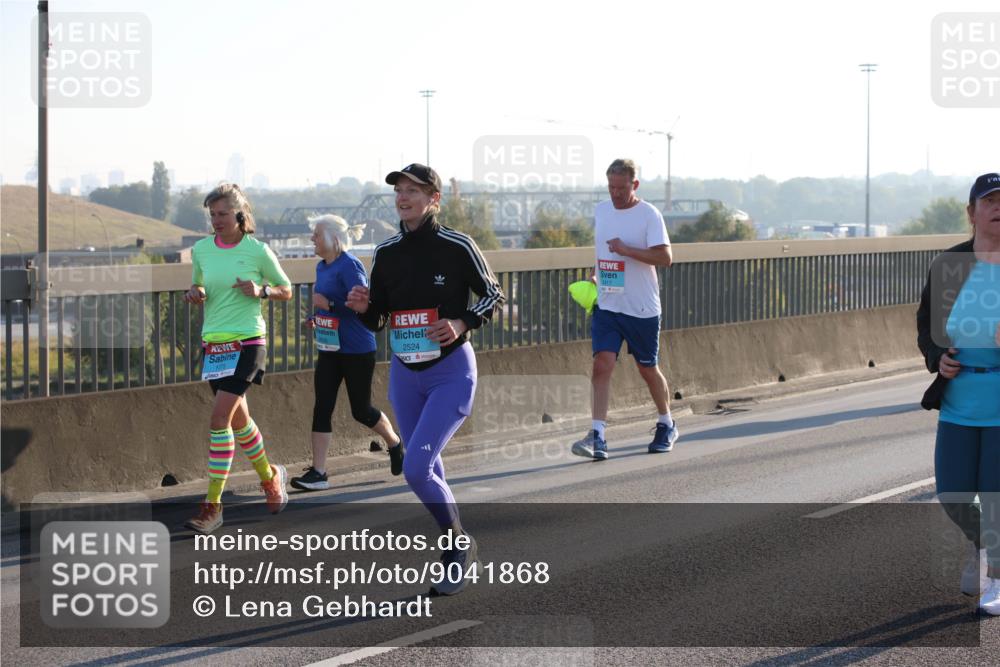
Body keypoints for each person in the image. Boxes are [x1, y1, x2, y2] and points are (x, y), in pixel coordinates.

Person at [345, 163, 505, 595]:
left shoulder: (458, 245)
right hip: (404, 374)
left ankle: (457, 547)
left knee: (415, 468)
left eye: (413, 190)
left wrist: (462, 322)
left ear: (434, 199)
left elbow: (494, 293)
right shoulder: (387, 252)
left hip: (451, 373)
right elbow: (380, 317)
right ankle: (457, 543)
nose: (403, 196)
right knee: (427, 466)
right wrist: (363, 306)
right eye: (399, 189)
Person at [183, 183, 292, 534]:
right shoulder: (201, 250)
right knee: (239, 422)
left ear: (240, 215)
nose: (216, 220)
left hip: (248, 343)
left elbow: (286, 290)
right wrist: (195, 292)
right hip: (214, 346)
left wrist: (261, 290)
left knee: (219, 419)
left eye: (223, 214)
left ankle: (213, 506)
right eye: (212, 215)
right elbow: (199, 284)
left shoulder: (258, 251)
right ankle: (270, 477)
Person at [917, 172, 1000, 615]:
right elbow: (926, 327)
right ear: (972, 213)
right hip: (957, 403)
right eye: (990, 200)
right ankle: (983, 546)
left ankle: (997, 577)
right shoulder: (949, 266)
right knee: (953, 496)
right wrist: (937, 358)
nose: (998, 207)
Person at [571, 158, 678, 461]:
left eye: (621, 188)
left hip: (641, 307)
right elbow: (602, 252)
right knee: (601, 364)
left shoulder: (649, 215)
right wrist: (598, 275)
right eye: (611, 187)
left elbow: (665, 258)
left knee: (647, 369)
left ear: (635, 185)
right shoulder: (602, 210)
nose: (615, 193)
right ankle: (597, 435)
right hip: (608, 303)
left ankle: (666, 423)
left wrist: (628, 250)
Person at [293, 215, 403, 491]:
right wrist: (317, 318)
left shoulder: (350, 266)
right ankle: (318, 472)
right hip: (330, 348)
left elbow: (361, 306)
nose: (312, 240)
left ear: (334, 239)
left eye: (316, 235)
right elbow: (326, 306)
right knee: (322, 407)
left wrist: (329, 304)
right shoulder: (321, 267)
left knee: (361, 411)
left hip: (357, 349)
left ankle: (394, 442)